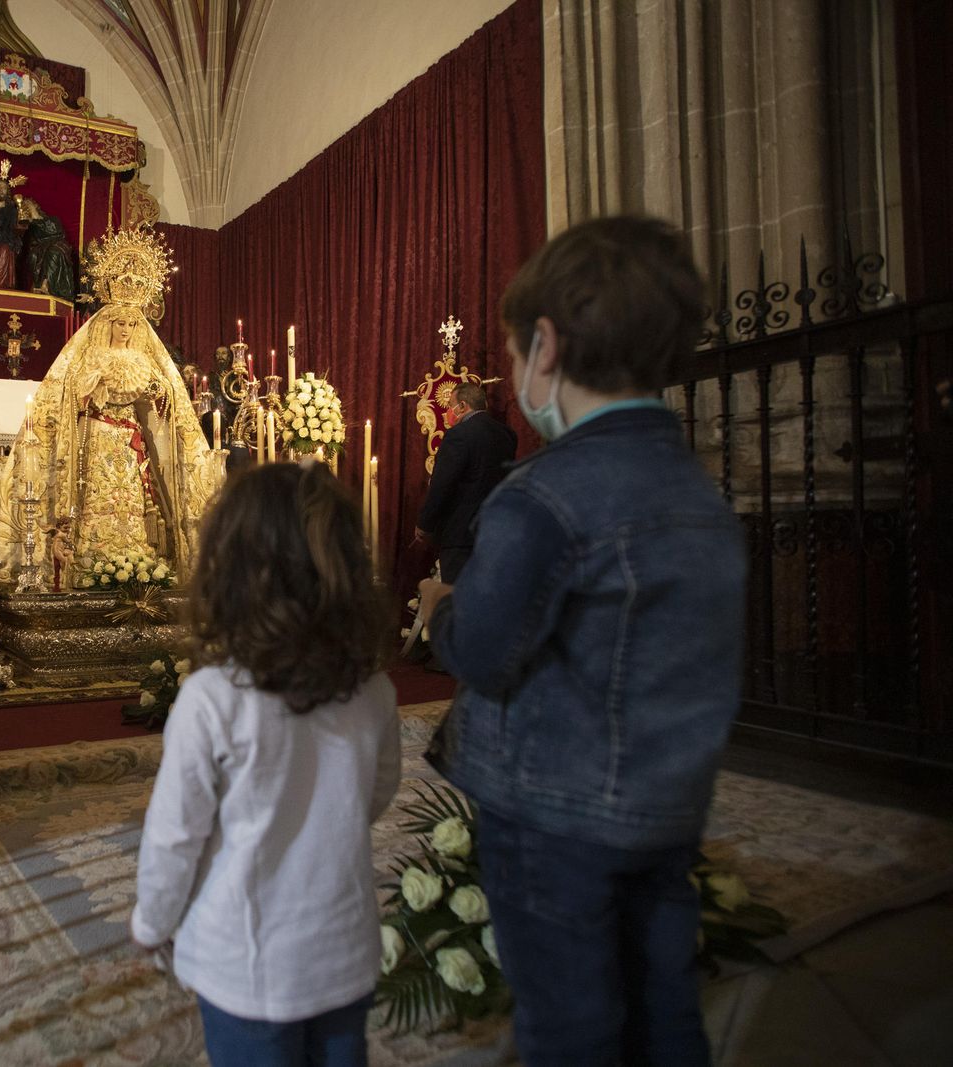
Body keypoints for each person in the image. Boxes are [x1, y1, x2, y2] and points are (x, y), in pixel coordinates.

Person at [419, 216, 747, 1066]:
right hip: (666, 805)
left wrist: (442, 607)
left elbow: (485, 649)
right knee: (665, 999)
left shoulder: (543, 496)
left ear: (547, 348)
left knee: (570, 1018)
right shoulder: (699, 493)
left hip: (550, 817)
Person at [131, 460, 401, 1067]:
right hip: (344, 949)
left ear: (230, 572)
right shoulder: (374, 690)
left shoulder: (212, 700)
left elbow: (175, 836)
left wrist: (152, 922)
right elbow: (379, 792)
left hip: (244, 963)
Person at [0, 227, 224, 581]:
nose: (126, 329)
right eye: (120, 322)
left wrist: (159, 393)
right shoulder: (92, 356)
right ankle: (90, 558)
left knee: (131, 498)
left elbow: (165, 404)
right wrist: (94, 384)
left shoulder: (146, 361)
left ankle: (134, 558)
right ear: (108, 323)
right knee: (96, 496)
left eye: (132, 323)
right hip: (98, 436)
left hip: (130, 439)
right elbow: (71, 396)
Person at [416, 381, 517, 582]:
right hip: (496, 530)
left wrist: (425, 523)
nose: (447, 413)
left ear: (462, 406)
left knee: (457, 600)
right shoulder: (507, 435)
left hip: (461, 535)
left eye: (450, 406)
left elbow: (442, 484)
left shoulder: (458, 435)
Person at [18, 197, 75, 301]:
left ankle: (47, 285)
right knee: (34, 256)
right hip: (40, 250)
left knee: (53, 252)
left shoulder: (53, 219)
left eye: (29, 207)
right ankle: (39, 285)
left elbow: (52, 232)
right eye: (25, 208)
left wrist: (32, 210)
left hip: (58, 245)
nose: (27, 209)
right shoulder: (30, 226)